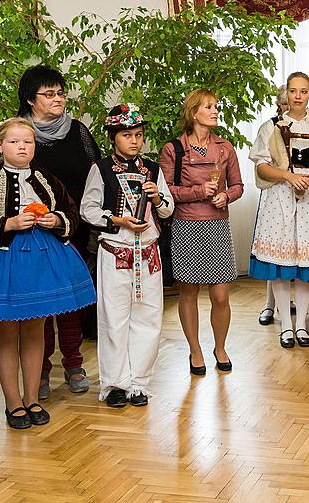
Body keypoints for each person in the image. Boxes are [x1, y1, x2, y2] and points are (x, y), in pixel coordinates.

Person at [0, 118, 96, 428]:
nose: (22, 146)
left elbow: (71, 213)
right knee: (6, 330)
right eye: (15, 141)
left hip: (44, 261)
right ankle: (12, 402)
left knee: (35, 330)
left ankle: (32, 398)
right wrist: (8, 224)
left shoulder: (48, 180)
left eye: (28, 142)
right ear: (0, 146)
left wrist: (56, 220)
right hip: (2, 261)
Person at [0, 65, 100, 400]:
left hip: (69, 228)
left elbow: (97, 175)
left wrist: (78, 219)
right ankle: (42, 371)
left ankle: (74, 364)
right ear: (29, 99)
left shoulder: (77, 131)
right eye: (48, 94)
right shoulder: (15, 134)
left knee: (70, 303)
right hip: (26, 236)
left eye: (60, 92)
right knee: (40, 306)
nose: (57, 99)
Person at [80, 105, 175, 407]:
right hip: (115, 251)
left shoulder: (153, 170)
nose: (134, 141)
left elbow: (168, 209)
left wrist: (158, 197)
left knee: (148, 318)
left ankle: (139, 383)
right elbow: (88, 209)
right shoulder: (101, 168)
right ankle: (114, 384)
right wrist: (118, 221)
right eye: (126, 135)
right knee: (114, 318)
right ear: (112, 138)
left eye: (138, 135)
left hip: (148, 253)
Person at [250, 72, 309, 348]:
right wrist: (289, 177)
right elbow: (260, 166)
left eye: (304, 91)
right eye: (293, 91)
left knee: (306, 265)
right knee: (281, 265)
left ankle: (301, 323)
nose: (298, 96)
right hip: (279, 197)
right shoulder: (271, 127)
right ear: (287, 94)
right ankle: (286, 327)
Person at [160, 89, 243, 375]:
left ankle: (220, 347)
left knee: (221, 296)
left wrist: (226, 197)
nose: (215, 110)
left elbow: (238, 186)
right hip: (186, 226)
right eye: (209, 106)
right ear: (194, 113)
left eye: (216, 106)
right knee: (189, 293)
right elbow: (165, 192)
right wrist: (198, 191)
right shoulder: (174, 149)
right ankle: (195, 350)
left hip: (217, 225)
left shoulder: (225, 148)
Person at [259, 87, 293, 326]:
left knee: (292, 252)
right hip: (275, 193)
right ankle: (269, 305)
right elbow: (263, 166)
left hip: (300, 195)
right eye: (283, 104)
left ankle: (285, 302)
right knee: (274, 252)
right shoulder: (271, 127)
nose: (287, 108)